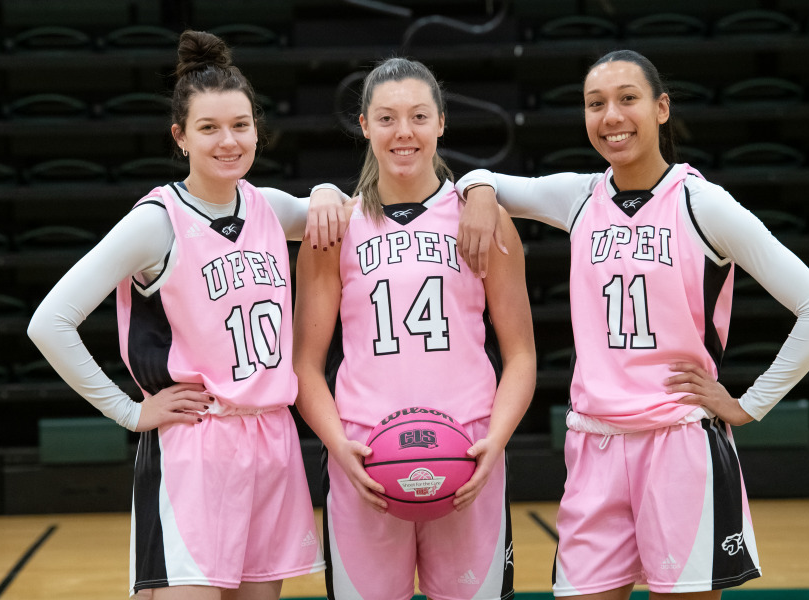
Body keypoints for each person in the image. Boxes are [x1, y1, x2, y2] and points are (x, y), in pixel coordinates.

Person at [454, 49, 809, 599]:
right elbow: (479, 175)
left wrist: (750, 404)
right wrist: (478, 192)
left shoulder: (703, 203)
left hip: (679, 444)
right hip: (593, 446)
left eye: (627, 99)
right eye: (596, 104)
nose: (611, 116)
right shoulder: (579, 197)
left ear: (661, 108)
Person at [27, 30, 350, 599]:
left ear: (257, 129)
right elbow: (49, 322)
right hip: (196, 446)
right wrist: (128, 413)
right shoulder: (156, 221)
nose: (229, 141)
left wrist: (325, 188)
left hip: (272, 441)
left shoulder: (267, 207)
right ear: (180, 137)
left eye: (241, 125)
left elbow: (336, 212)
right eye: (209, 128)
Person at [292, 57, 537, 600]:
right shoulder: (334, 229)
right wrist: (339, 447)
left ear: (442, 122)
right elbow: (305, 366)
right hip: (366, 460)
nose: (404, 132)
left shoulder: (482, 218)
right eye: (387, 118)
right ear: (363, 125)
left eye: (419, 116)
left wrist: (493, 442)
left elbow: (521, 355)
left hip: (469, 454)